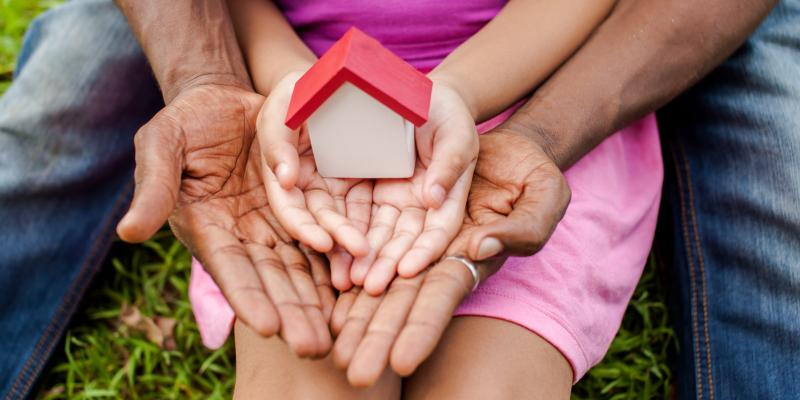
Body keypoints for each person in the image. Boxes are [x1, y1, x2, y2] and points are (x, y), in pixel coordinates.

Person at [0, 0, 792, 399]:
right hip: (300, 97)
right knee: (308, 363)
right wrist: (294, 90)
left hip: (525, 78)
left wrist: (458, 96)